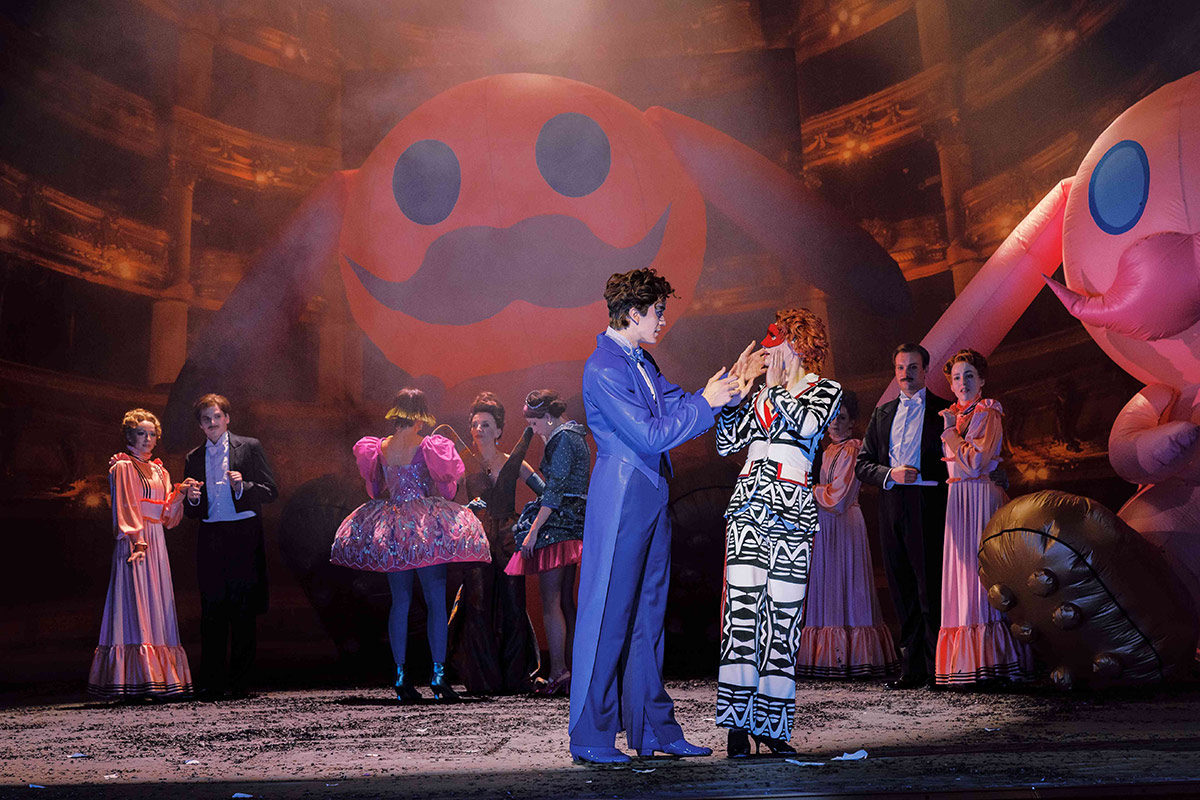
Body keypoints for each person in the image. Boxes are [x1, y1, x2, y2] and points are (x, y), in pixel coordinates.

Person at [569, 267, 742, 765]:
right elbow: (650, 434)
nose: (663, 320)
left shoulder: (640, 359)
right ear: (633, 312)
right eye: (658, 311)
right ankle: (591, 735)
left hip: (650, 492)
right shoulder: (603, 367)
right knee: (608, 615)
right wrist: (706, 402)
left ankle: (653, 730)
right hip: (622, 496)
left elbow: (677, 404)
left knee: (649, 616)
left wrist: (729, 386)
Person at [715, 309, 842, 757]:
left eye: (777, 344)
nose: (769, 353)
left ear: (799, 345)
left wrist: (772, 389)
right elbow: (726, 443)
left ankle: (770, 725)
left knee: (783, 620)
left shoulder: (825, 390)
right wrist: (735, 396)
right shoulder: (762, 395)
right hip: (748, 509)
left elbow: (806, 425)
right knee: (741, 615)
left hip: (793, 513)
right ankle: (737, 725)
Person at [330, 388, 490, 702]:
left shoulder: (380, 447)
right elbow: (447, 489)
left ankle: (401, 677)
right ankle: (438, 676)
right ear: (421, 414)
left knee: (400, 602)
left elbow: (375, 490)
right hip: (424, 527)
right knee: (435, 602)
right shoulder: (427, 445)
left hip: (394, 527)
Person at [855, 344, 950, 690]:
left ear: (925, 370)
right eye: (900, 367)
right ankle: (911, 670)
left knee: (930, 586)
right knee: (900, 585)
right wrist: (889, 474)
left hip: (929, 502)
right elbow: (862, 464)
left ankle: (938, 668)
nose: (905, 374)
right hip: (892, 502)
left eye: (912, 367)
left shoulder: (945, 410)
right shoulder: (882, 413)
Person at [935, 349, 1032, 686]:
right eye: (957, 377)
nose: (962, 382)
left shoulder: (988, 412)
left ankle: (993, 661)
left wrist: (950, 433)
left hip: (979, 496)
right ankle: (967, 662)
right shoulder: (953, 415)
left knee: (981, 576)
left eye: (969, 376)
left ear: (981, 381)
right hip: (957, 499)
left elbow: (976, 462)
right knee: (961, 575)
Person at [89, 409, 193, 699]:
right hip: (135, 541)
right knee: (134, 604)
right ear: (129, 435)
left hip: (156, 540)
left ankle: (159, 679)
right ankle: (134, 678)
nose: (147, 439)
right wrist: (138, 541)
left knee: (156, 604)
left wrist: (180, 494)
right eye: (141, 433)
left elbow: (166, 516)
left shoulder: (161, 471)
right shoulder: (123, 467)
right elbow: (126, 506)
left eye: (152, 434)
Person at [797, 390, 899, 681]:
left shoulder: (853, 449)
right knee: (828, 584)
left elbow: (838, 498)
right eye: (831, 417)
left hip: (844, 524)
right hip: (825, 525)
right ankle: (829, 656)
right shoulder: (826, 450)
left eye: (841, 417)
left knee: (849, 584)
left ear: (852, 421)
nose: (835, 423)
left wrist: (808, 491)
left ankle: (854, 657)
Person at [182, 394, 277, 700]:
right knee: (212, 609)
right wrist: (192, 499)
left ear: (227, 418)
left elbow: (271, 490)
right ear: (200, 425)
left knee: (243, 609)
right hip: (211, 535)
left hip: (242, 533)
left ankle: (241, 682)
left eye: (216, 417)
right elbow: (193, 511)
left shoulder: (249, 447)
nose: (212, 423)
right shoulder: (193, 457)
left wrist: (242, 486)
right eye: (206, 419)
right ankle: (211, 682)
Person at [447, 392, 543, 695]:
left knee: (513, 605)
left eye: (486, 424)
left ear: (499, 430)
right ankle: (483, 679)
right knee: (477, 605)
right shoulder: (462, 464)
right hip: (476, 541)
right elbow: (447, 500)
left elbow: (546, 493)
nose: (479, 429)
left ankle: (515, 677)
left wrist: (526, 523)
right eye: (475, 424)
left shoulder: (513, 462)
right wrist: (465, 509)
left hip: (507, 539)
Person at [505, 389, 590, 697]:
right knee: (565, 601)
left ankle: (558, 672)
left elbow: (554, 492)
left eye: (535, 423)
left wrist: (533, 531)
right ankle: (572, 671)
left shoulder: (563, 438)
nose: (533, 429)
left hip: (559, 526)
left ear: (548, 417)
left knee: (551, 602)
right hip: (573, 522)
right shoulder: (574, 435)